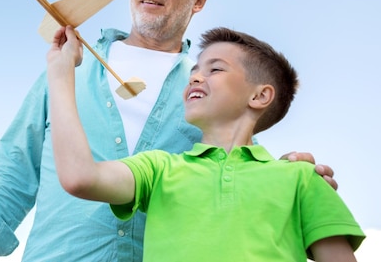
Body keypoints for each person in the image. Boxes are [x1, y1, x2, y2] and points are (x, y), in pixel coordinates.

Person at [0, 0, 338, 262]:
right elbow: (16, 168)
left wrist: (289, 178)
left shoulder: (207, 90)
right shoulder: (70, 69)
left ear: (199, 0)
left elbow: (232, 165)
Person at [47, 25, 365, 261]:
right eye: (195, 71)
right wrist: (61, 75)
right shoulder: (157, 169)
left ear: (260, 95)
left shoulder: (302, 178)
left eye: (215, 69)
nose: (196, 77)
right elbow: (79, 177)